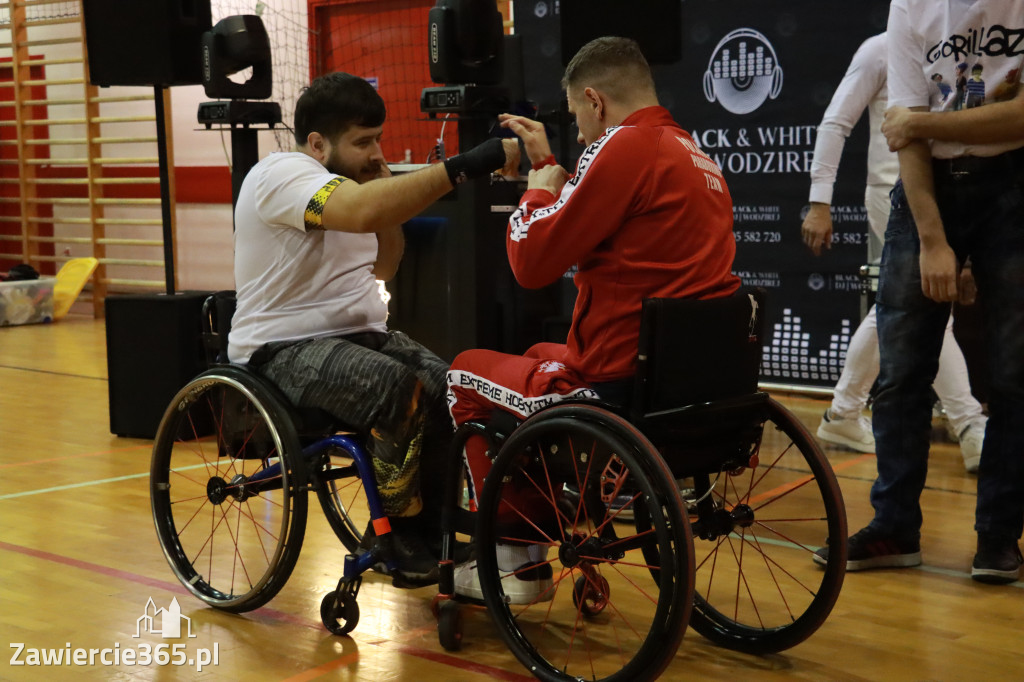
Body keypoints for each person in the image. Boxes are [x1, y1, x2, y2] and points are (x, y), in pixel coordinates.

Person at [445, 37, 740, 602]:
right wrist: (549, 167)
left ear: (595, 101)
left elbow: (531, 264)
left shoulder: (624, 146)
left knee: (463, 373)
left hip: (616, 388)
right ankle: (552, 510)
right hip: (687, 384)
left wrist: (534, 193)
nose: (580, 136)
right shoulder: (690, 151)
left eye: (578, 118)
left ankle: (514, 561)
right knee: (537, 355)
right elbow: (587, 213)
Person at [227, 72, 517, 584]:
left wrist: (384, 197)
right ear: (318, 144)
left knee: (452, 386)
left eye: (378, 139)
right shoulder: (282, 173)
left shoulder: (354, 188)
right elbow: (360, 212)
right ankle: (395, 533)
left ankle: (434, 526)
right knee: (395, 388)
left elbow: (386, 264)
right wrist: (466, 164)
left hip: (357, 336)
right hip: (281, 347)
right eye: (362, 142)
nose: (376, 153)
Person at [815, 0, 1024, 584]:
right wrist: (934, 241)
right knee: (902, 371)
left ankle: (999, 538)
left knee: (1014, 376)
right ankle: (894, 526)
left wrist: (925, 123)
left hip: (1012, 182)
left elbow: (918, 124)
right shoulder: (911, 4)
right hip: (924, 185)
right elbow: (899, 132)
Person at [800, 33, 987, 471]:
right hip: (893, 193)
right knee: (930, 301)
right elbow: (835, 121)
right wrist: (820, 201)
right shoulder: (880, 48)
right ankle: (970, 424)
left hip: (949, 191)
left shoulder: (957, 43)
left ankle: (843, 413)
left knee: (895, 307)